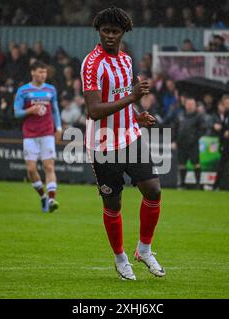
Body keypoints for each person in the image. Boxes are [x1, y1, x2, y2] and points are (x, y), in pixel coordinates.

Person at [81, 7, 164, 281]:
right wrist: (131, 98)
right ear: (99, 31)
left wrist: (137, 115)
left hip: (129, 135)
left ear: (123, 33)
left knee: (152, 190)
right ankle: (120, 258)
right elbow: (94, 110)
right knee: (113, 204)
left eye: (115, 32)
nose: (110, 36)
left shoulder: (126, 61)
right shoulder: (92, 64)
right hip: (103, 145)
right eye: (105, 31)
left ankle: (144, 249)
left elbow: (123, 100)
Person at [14, 61, 62, 213]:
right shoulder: (23, 91)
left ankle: (52, 199)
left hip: (47, 133)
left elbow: (55, 110)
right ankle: (43, 196)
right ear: (33, 72)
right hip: (30, 134)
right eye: (40, 72)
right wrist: (30, 110)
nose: (43, 75)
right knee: (31, 169)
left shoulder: (51, 90)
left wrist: (58, 127)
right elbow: (16, 113)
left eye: (45, 72)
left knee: (49, 166)